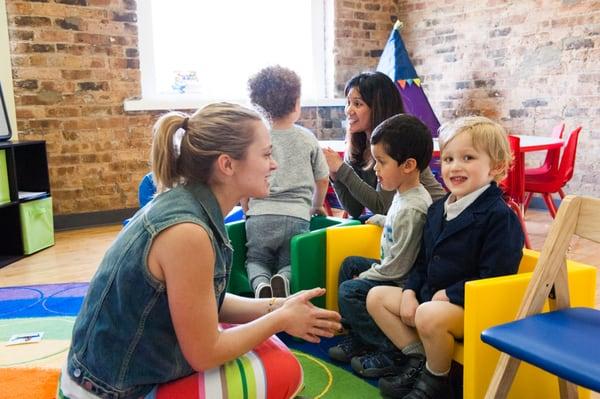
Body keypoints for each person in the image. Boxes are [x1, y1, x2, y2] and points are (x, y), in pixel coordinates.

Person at [59, 103, 341, 399]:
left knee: (264, 343)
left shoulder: (189, 204)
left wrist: (278, 306)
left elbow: (206, 300)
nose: (274, 165)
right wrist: (280, 320)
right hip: (108, 391)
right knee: (284, 370)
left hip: (99, 376)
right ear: (227, 165)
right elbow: (205, 354)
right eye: (267, 154)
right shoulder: (188, 233)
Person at [366, 116, 525, 399]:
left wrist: (452, 295)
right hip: (432, 299)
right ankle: (419, 360)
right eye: (449, 158)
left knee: (429, 313)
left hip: (474, 308)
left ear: (497, 167)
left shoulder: (500, 217)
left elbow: (496, 278)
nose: (455, 166)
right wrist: (411, 291)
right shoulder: (438, 209)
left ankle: (438, 382)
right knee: (376, 297)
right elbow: (422, 260)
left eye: (468, 157)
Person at [328, 114, 433, 380]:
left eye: (382, 162)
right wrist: (379, 219)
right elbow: (397, 224)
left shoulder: (413, 207)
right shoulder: (403, 194)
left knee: (351, 289)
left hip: (401, 280)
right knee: (350, 264)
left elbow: (398, 268)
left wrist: (367, 277)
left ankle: (389, 349)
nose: (375, 168)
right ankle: (359, 335)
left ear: (408, 165)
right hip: (392, 268)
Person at [242, 65, 329, 298]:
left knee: (256, 259)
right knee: (290, 262)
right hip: (296, 215)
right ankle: (283, 278)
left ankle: (261, 286)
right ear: (297, 104)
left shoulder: (255, 139)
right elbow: (322, 179)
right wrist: (316, 205)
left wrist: (246, 206)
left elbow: (244, 178)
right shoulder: (307, 138)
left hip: (260, 215)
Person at [323, 71, 446, 219]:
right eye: (348, 103)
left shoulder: (397, 141)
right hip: (400, 218)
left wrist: (342, 169)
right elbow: (354, 210)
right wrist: (335, 176)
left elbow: (383, 207)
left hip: (432, 218)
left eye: (357, 104)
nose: (348, 110)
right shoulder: (358, 145)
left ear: (377, 107)